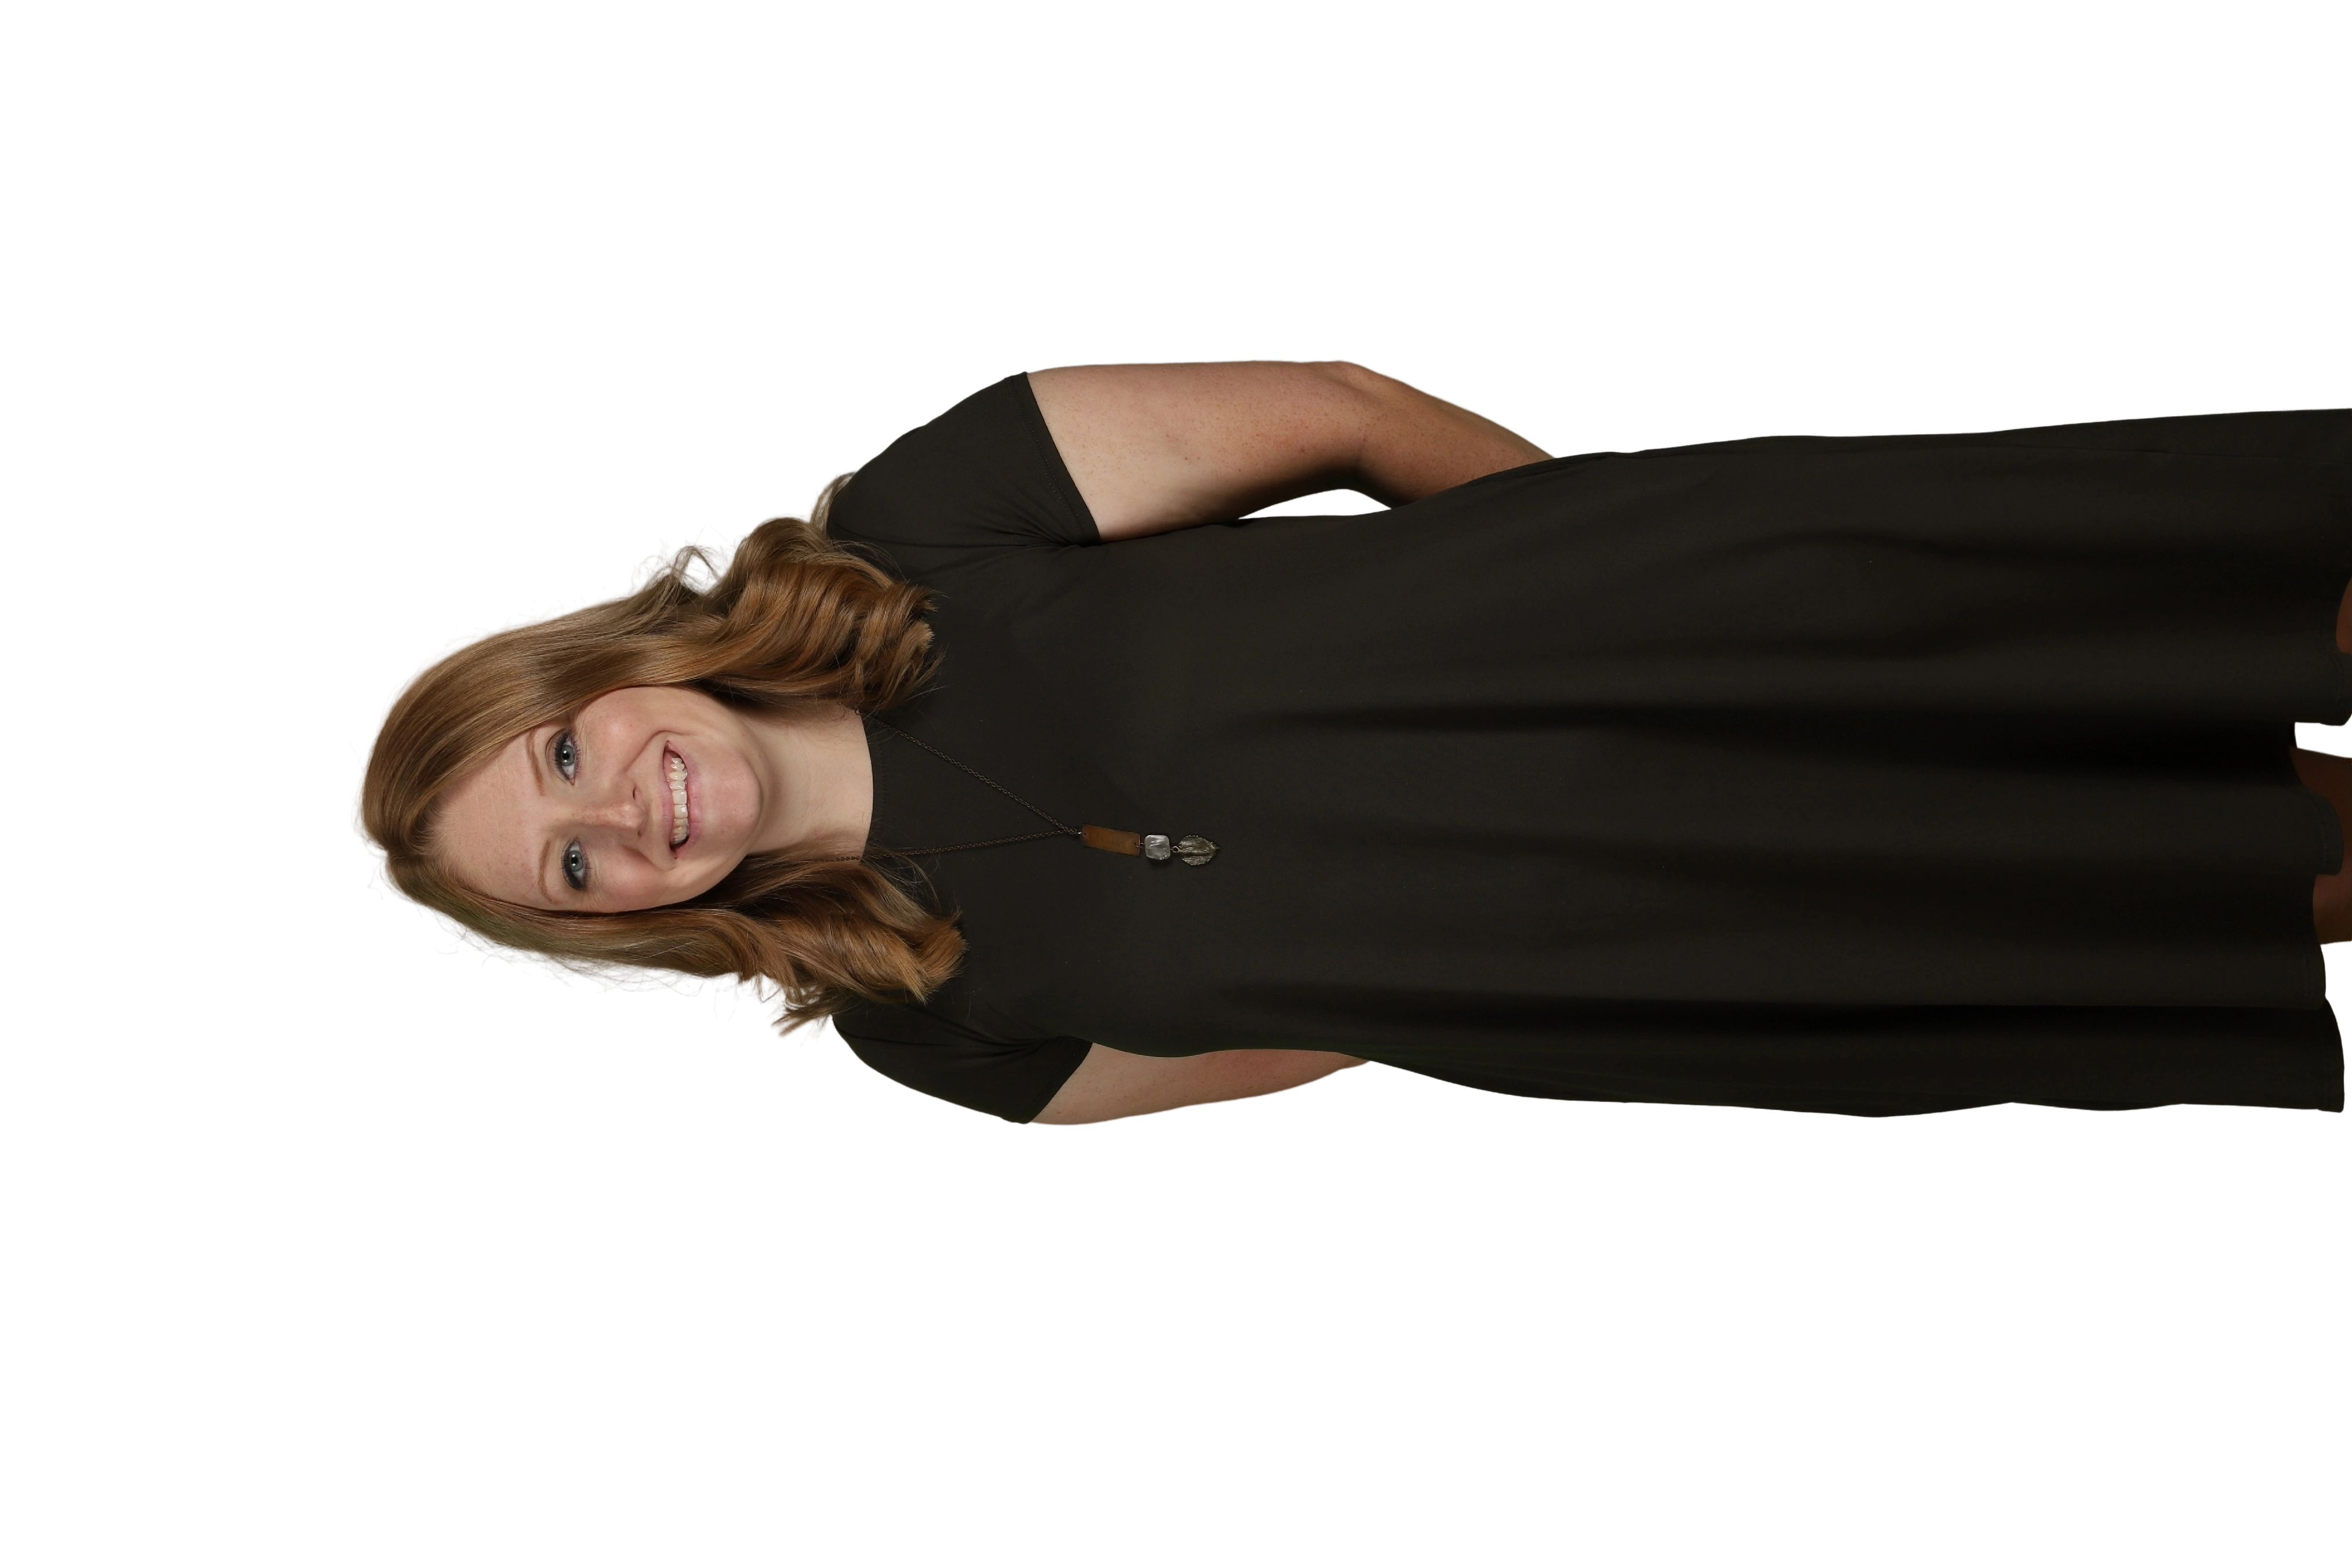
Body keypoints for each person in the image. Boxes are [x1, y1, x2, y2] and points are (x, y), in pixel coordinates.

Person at [348, 358, 2352, 1126]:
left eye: (560, 760)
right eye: (575, 869)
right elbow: (1320, 1026)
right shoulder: (926, 1028)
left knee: (2228, 609)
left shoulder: (921, 518)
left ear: (589, 669)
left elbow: (1339, 415)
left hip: (1737, 629)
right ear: (615, 929)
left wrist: (1608, 572)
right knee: (2244, 880)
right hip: (1728, 914)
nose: (623, 814)